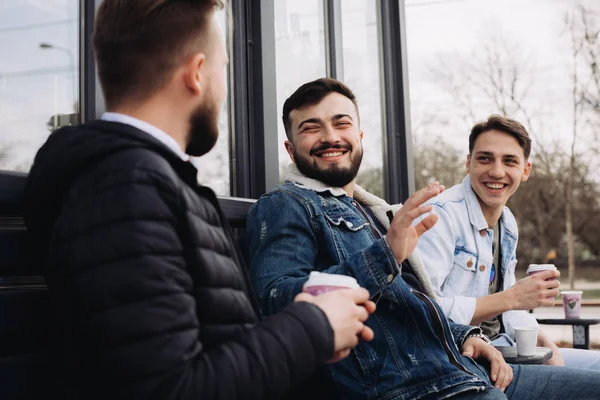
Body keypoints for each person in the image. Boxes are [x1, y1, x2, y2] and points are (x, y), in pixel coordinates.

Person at [22, 2, 377, 398]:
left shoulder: (140, 182)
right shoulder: (127, 189)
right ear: (196, 73)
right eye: (223, 68)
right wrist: (313, 327)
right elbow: (170, 388)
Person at [245, 77, 600, 399]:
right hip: (411, 387)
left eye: (341, 123)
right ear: (291, 150)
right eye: (311, 128)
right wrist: (386, 254)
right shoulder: (285, 205)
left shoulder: (374, 212)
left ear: (360, 138)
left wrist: (467, 336)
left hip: (456, 369)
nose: (331, 136)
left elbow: (416, 303)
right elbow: (279, 302)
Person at [416, 115, 600, 370]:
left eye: (510, 161)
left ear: (525, 171)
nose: (497, 171)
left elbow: (510, 308)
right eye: (485, 158)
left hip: (505, 348)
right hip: (459, 361)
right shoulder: (439, 215)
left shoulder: (508, 222)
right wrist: (512, 298)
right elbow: (422, 309)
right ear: (468, 163)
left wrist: (544, 341)